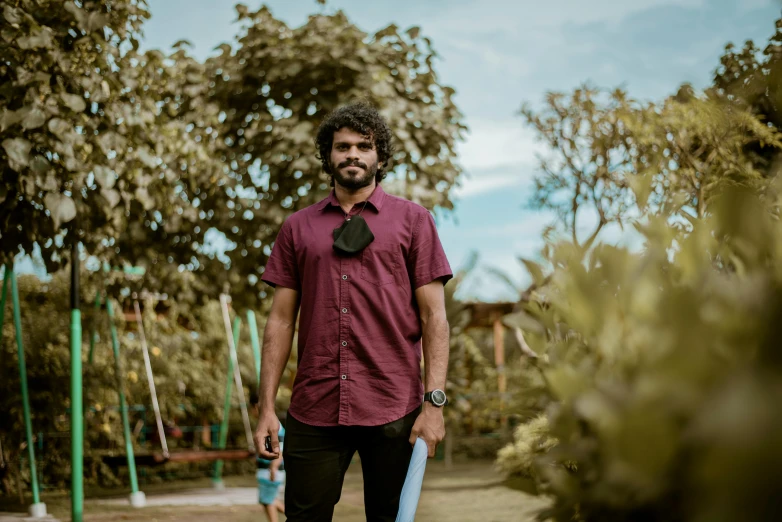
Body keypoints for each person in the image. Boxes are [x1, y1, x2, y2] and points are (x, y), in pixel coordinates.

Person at [254, 101, 452, 522]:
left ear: (380, 156)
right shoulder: (298, 227)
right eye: (342, 146)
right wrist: (266, 408)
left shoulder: (414, 221)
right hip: (314, 405)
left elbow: (435, 316)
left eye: (364, 146)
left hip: (394, 405)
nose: (353, 155)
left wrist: (433, 405)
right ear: (328, 154)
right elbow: (280, 319)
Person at [250, 389, 286, 522]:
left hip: (270, 472)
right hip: (267, 472)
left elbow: (280, 450)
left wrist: (273, 468)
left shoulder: (273, 425)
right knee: (268, 501)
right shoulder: (267, 425)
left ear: (256, 406)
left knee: (269, 501)